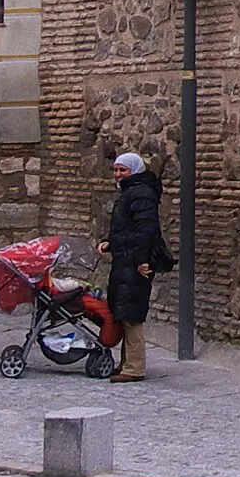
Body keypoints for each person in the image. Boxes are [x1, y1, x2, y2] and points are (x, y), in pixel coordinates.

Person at [98, 150, 169, 381]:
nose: (118, 174)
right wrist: (110, 243)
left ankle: (135, 367)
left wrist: (142, 261)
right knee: (124, 310)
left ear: (134, 170)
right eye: (116, 170)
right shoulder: (131, 191)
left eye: (123, 170)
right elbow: (127, 227)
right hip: (126, 259)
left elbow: (145, 230)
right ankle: (127, 362)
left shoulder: (140, 193)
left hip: (135, 261)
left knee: (132, 314)